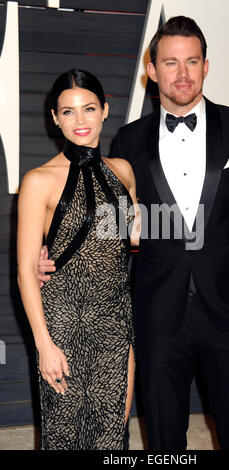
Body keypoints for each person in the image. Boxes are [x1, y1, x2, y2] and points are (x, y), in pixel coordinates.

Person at [38, 16, 229, 450]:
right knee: (164, 442)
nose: (183, 74)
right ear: (152, 70)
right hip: (157, 317)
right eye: (171, 63)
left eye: (192, 61)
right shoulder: (128, 142)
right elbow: (112, 228)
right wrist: (50, 255)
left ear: (207, 66)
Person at [17, 69, 138, 450]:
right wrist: (44, 345)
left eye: (88, 109)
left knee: (112, 439)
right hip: (63, 328)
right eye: (68, 112)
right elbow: (24, 271)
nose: (80, 120)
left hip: (115, 325)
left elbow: (132, 237)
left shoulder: (122, 171)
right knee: (65, 439)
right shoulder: (39, 181)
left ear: (105, 110)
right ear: (54, 117)